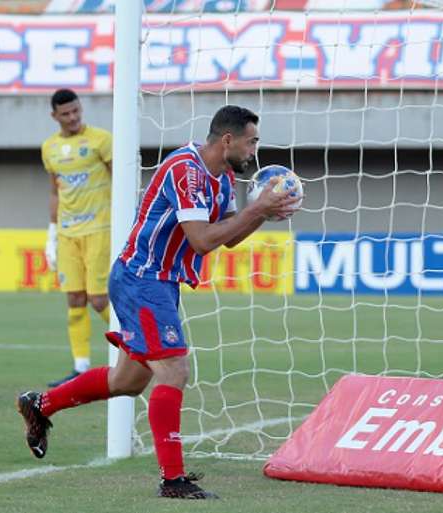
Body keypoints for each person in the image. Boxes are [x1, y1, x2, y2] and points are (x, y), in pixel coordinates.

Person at [17, 105, 298, 499]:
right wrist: (257, 209)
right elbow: (201, 240)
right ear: (228, 139)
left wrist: (261, 215)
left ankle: (40, 405)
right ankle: (173, 480)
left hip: (161, 283)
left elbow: (228, 237)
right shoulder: (185, 169)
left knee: (126, 382)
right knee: (174, 369)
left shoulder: (223, 178)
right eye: (252, 141)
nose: (255, 150)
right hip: (142, 277)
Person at [42, 88, 113, 387]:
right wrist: (52, 233)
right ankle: (81, 366)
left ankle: (140, 348)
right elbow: (55, 190)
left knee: (98, 299)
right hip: (68, 233)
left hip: (99, 228)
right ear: (54, 116)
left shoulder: (101, 140)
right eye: (66, 114)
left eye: (76, 111)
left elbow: (121, 178)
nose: (72, 118)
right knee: (74, 298)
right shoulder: (49, 148)